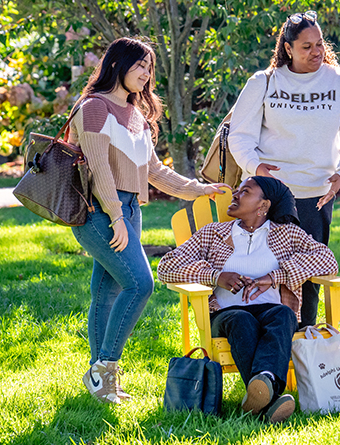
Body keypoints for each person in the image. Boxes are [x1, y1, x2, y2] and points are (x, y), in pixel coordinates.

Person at [67, 37, 225, 404]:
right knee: (141, 284)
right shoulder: (93, 108)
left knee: (107, 292)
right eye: (140, 65)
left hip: (128, 210)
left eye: (150, 68)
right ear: (117, 65)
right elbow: (100, 169)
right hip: (98, 211)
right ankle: (105, 366)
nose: (146, 74)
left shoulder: (135, 114)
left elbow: (154, 170)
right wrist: (116, 216)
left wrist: (198, 189)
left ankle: (100, 379)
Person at [228, 10, 340, 326]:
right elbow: (239, 137)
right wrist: (257, 168)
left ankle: (303, 343)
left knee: (307, 278)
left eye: (319, 44)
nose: (316, 52)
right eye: (306, 46)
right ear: (288, 48)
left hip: (315, 198)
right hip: (270, 199)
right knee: (262, 272)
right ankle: (265, 342)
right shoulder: (263, 83)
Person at [157, 176, 337, 423]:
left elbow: (327, 260)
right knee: (242, 319)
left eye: (245, 192)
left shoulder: (287, 234)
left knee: (284, 314)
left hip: (271, 310)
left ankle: (263, 391)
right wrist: (216, 276)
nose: (235, 195)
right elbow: (167, 266)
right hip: (226, 314)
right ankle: (270, 394)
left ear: (263, 206)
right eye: (237, 190)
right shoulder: (213, 233)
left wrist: (275, 276)